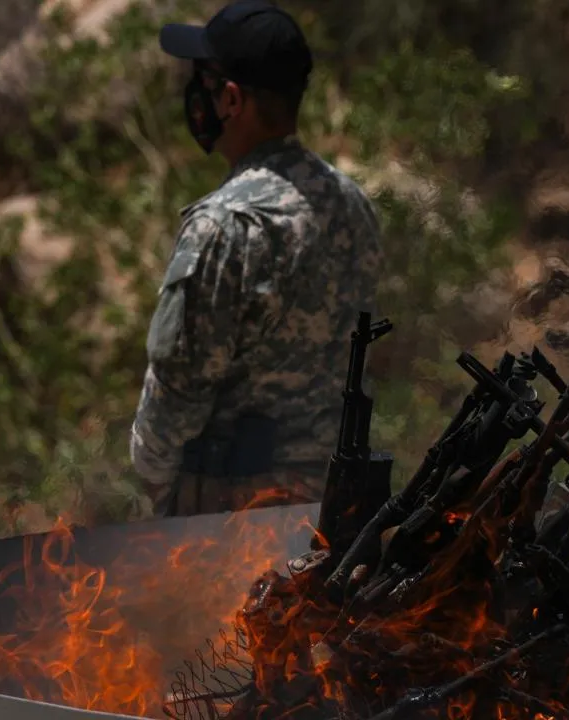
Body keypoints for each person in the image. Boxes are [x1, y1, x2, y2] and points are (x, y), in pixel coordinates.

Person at [130, 0, 384, 516]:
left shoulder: (224, 224)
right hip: (329, 508)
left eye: (203, 79)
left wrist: (152, 480)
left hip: (229, 523)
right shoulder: (353, 204)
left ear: (229, 99)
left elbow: (179, 387)